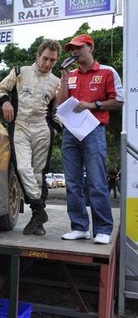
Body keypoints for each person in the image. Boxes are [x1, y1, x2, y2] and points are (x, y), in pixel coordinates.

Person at [57, 34, 124, 244]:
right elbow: (60, 104)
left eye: (78, 48)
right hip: (70, 131)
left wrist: (92, 105)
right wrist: (64, 79)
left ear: (90, 48)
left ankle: (103, 229)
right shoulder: (72, 74)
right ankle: (79, 227)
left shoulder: (107, 72)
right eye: (71, 50)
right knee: (72, 182)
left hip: (94, 130)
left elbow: (119, 101)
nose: (74, 52)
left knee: (96, 181)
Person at [0, 39, 62, 236]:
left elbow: (59, 110)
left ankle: (37, 219)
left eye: (53, 61)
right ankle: (40, 211)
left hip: (43, 128)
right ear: (37, 56)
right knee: (23, 168)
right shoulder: (19, 72)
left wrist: (54, 128)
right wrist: (5, 102)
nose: (48, 64)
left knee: (39, 174)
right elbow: (0, 89)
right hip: (21, 126)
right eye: (45, 58)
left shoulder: (57, 83)